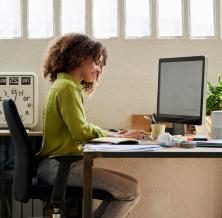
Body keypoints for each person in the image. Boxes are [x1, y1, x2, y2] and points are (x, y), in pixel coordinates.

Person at [37, 33, 148, 218]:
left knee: (129, 186)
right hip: (60, 168)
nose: (98, 69)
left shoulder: (65, 84)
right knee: (130, 191)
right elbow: (80, 131)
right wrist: (117, 137)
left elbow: (81, 127)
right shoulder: (66, 87)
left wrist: (114, 135)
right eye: (96, 62)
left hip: (59, 165)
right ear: (81, 57)